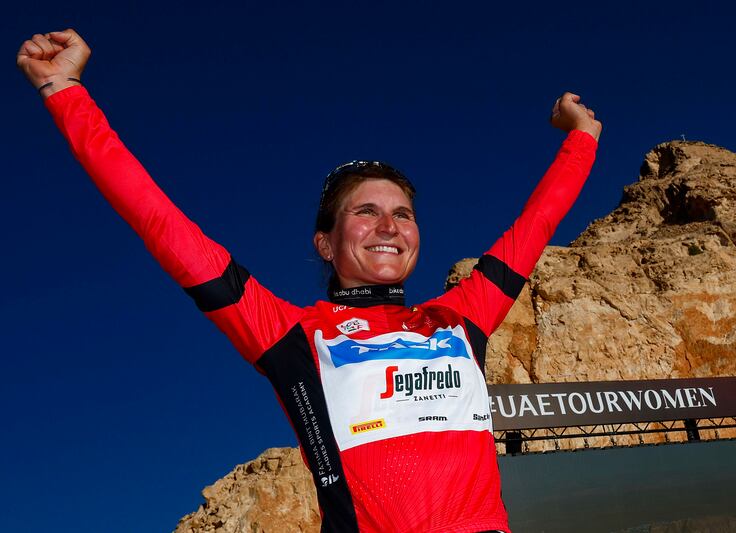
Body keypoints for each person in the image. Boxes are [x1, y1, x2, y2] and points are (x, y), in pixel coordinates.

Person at [18, 29, 601, 533]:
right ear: (325, 243)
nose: (390, 227)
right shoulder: (290, 334)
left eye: (404, 214)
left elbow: (537, 223)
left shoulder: (461, 317)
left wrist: (581, 136)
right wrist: (65, 92)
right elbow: (158, 219)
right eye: (365, 211)